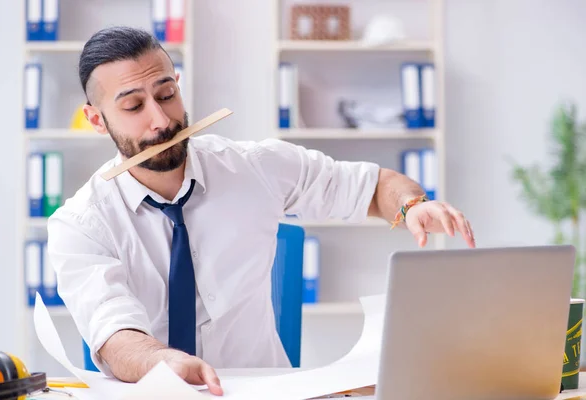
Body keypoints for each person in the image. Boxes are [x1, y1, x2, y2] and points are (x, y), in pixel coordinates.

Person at [47, 26, 475, 396]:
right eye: (133, 106)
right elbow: (113, 336)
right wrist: (163, 364)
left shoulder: (255, 167)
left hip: (269, 392)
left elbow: (376, 187)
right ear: (97, 119)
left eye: (167, 94)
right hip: (156, 392)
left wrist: (412, 205)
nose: (161, 120)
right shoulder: (79, 224)